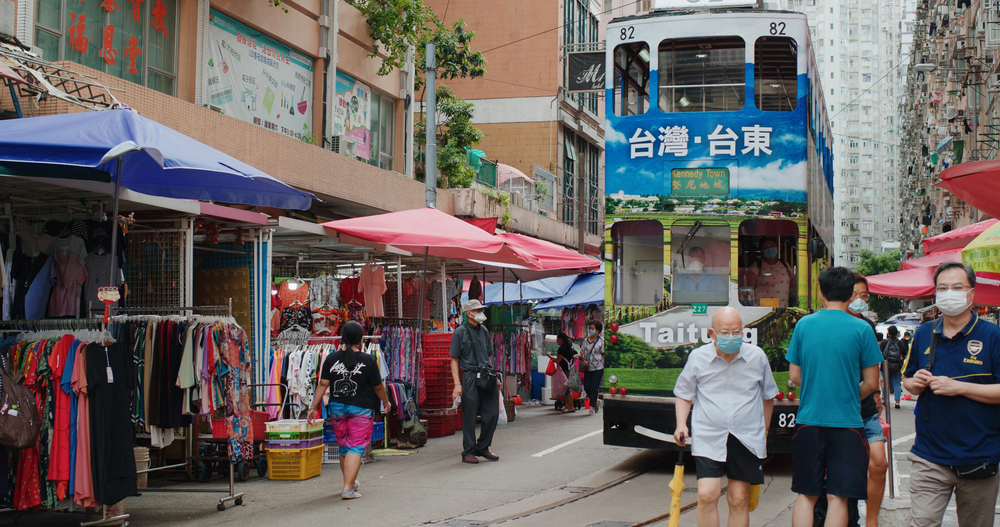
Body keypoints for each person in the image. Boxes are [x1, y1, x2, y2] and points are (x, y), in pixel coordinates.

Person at [902, 262, 1000, 526]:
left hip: (979, 457)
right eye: (943, 288)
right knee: (921, 522)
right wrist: (915, 383)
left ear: (971, 293)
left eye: (957, 287)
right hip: (929, 456)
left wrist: (960, 388)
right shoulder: (924, 332)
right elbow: (907, 381)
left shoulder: (993, 336)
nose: (949, 293)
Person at [785, 267, 883, 527]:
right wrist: (847, 391)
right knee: (838, 496)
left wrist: (818, 386)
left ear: (820, 294)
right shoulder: (862, 329)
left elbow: (794, 375)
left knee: (806, 494)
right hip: (848, 424)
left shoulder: (804, 325)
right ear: (852, 295)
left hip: (809, 420)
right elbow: (872, 383)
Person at [674, 307, 779, 527]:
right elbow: (684, 394)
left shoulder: (757, 357)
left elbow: (768, 396)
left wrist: (765, 431)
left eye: (736, 332)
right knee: (706, 494)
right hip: (709, 435)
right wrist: (681, 424)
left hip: (746, 438)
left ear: (743, 331)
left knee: (738, 499)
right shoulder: (698, 358)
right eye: (724, 333)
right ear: (712, 333)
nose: (731, 337)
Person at [307, 320, 392, 500]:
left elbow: (323, 384)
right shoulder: (368, 360)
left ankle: (350, 483)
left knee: (344, 447)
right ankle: (347, 488)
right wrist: (386, 402)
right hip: (361, 408)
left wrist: (313, 407)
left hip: (337, 408)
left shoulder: (331, 358)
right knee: (355, 446)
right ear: (360, 339)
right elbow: (378, 387)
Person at [848, 274, 888, 527]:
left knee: (879, 462)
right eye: (855, 294)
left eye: (864, 295)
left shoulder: (867, 326)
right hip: (837, 412)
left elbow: (871, 370)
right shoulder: (822, 324)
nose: (860, 300)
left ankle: (871, 520)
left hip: (865, 411)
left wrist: (876, 393)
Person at [451, 299, 502, 464]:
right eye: (477, 310)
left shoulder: (485, 331)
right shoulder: (459, 332)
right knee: (470, 416)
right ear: (469, 314)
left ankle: (483, 447)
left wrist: (495, 376)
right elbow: (454, 359)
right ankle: (469, 451)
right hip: (470, 376)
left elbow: (487, 356)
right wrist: (457, 384)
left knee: (492, 414)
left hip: (487, 374)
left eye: (481, 310)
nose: (481, 313)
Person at [747, 238, 791, 308]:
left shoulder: (785, 265)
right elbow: (750, 290)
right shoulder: (757, 265)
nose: (770, 249)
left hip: (783, 309)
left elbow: (792, 284)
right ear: (762, 251)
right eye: (766, 247)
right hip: (763, 309)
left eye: (772, 246)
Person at [548, 332, 579, 414]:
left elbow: (558, 360)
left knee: (566, 389)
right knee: (566, 389)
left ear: (560, 339)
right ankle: (568, 406)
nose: (556, 341)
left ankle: (571, 407)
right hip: (571, 371)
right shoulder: (571, 349)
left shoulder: (561, 349)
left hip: (564, 371)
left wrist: (550, 357)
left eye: (557, 339)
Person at [580, 321, 605, 416]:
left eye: (592, 328)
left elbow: (604, 354)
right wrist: (578, 355)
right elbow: (582, 352)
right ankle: (596, 401)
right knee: (587, 387)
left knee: (594, 387)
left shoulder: (601, 342)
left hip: (598, 367)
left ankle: (592, 407)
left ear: (598, 331)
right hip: (587, 366)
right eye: (589, 328)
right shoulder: (585, 340)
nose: (590, 330)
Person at [881, 326, 906, 409]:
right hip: (897, 366)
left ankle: (885, 400)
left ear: (888, 332)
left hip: (886, 365)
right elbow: (904, 353)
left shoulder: (884, 342)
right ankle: (897, 401)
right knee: (896, 383)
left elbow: (880, 353)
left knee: (886, 383)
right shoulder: (900, 343)